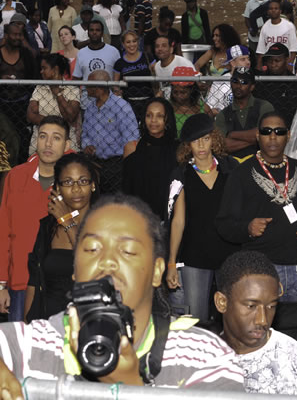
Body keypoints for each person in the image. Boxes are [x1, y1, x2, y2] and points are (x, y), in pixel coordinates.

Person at [0, 193, 246, 389]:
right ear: (75, 269)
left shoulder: (205, 357)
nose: (107, 261)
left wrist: (129, 388)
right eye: (92, 249)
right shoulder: (31, 345)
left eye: (127, 251)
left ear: (157, 271)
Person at [216, 111, 297, 303]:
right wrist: (247, 229)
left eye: (279, 131)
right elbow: (224, 224)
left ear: (288, 135)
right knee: (263, 330)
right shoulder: (241, 173)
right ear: (257, 136)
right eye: (266, 131)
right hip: (262, 269)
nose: (273, 137)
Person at [214, 251, 297, 396]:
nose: (263, 320)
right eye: (251, 306)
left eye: (271, 306)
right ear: (222, 302)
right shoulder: (195, 362)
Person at [165, 114, 237, 321]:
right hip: (194, 256)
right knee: (196, 320)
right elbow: (177, 221)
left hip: (229, 253)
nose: (202, 145)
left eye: (206, 138)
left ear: (214, 138)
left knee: (233, 316)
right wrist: (171, 263)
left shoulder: (230, 169)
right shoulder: (181, 175)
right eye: (196, 141)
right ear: (188, 145)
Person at [0, 115, 70, 321]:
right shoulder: (16, 176)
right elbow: (3, 230)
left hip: (58, 284)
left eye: (56, 138)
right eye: (43, 136)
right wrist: (1, 284)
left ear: (66, 145)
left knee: (55, 349)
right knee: (19, 349)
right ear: (36, 140)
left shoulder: (73, 183)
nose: (48, 143)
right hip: (19, 281)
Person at [25, 152, 99, 321]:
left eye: (83, 181)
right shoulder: (47, 227)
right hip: (48, 323)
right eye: (67, 182)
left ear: (92, 185)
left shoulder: (104, 224)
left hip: (89, 322)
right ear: (57, 188)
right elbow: (34, 281)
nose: (76, 188)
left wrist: (67, 221)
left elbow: (93, 265)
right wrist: (28, 328)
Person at [82, 70, 139, 192]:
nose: (85, 86)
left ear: (98, 87)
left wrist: (128, 169)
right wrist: (87, 145)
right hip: (95, 163)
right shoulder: (90, 109)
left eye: (88, 83)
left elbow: (131, 139)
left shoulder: (121, 107)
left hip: (117, 164)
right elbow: (85, 134)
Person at [122, 97, 178, 219]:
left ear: (167, 119)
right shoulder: (132, 148)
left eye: (159, 116)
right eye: (149, 115)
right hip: (139, 218)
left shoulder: (178, 149)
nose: (153, 120)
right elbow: (127, 189)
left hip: (170, 217)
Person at [1, 18, 40, 161]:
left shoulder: (26, 54)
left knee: (23, 137)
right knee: (8, 137)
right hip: (3, 104)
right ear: (6, 35)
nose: (18, 37)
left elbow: (34, 76)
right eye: (14, 34)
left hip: (22, 103)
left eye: (20, 35)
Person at [214, 67, 274, 161]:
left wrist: (231, 134)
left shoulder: (264, 106)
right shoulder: (223, 114)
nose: (238, 86)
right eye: (235, 81)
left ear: (252, 87)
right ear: (230, 82)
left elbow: (267, 136)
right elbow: (222, 146)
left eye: (244, 82)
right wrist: (255, 140)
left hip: (261, 163)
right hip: (231, 166)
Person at [27, 54, 80, 155]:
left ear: (55, 69)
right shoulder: (40, 88)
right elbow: (31, 115)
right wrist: (58, 123)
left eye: (44, 68)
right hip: (39, 143)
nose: (41, 71)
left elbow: (70, 116)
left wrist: (58, 94)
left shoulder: (72, 89)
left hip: (65, 142)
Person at [252, 43, 297, 124]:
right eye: (270, 60)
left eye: (277, 60)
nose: (273, 64)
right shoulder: (259, 82)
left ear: (287, 59)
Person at [114, 30, 154, 119]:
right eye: (128, 42)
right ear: (123, 44)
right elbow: (115, 85)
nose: (132, 45)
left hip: (149, 101)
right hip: (128, 104)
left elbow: (158, 75)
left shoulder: (147, 57)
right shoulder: (119, 63)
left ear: (138, 42)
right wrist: (118, 92)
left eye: (134, 41)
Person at [256, 0, 297, 70]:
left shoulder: (289, 26)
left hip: (285, 63)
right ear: (268, 11)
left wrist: (290, 64)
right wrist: (259, 66)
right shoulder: (265, 27)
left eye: (276, 8)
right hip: (270, 64)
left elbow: (294, 49)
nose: (273, 10)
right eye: (271, 8)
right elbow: (261, 50)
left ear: (280, 11)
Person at [153, 34, 194, 100]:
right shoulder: (157, 66)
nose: (160, 49)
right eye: (157, 46)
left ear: (171, 49)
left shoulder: (183, 63)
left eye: (164, 46)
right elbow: (163, 88)